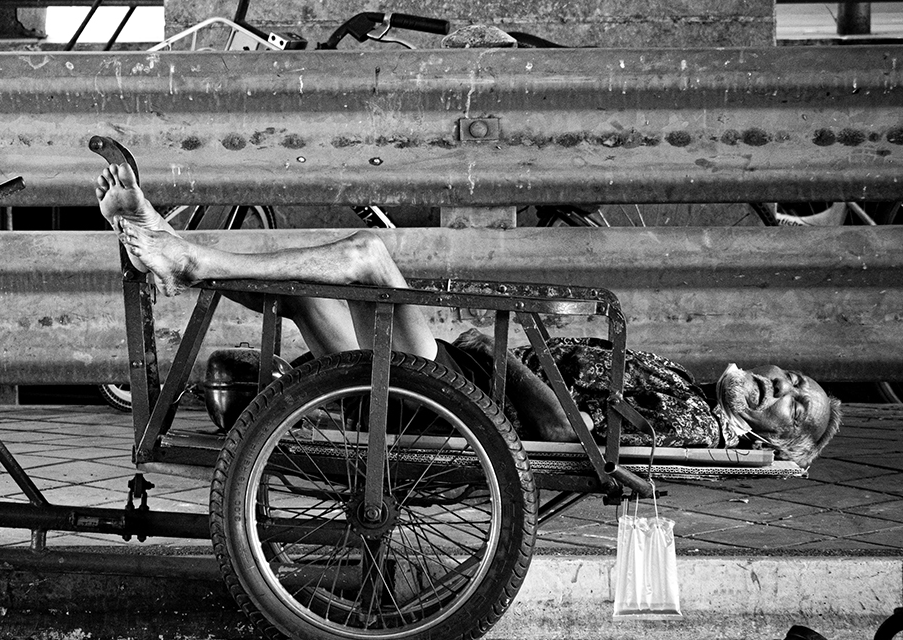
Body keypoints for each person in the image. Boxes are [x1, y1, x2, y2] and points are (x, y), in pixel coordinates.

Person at [95, 164, 842, 468]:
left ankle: (184, 257)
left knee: (365, 255)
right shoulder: (685, 386)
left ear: (783, 442)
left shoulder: (694, 425)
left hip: (463, 402)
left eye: (793, 404)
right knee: (302, 290)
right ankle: (170, 246)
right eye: (794, 378)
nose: (782, 384)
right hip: (459, 381)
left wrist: (505, 350)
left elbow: (559, 431)